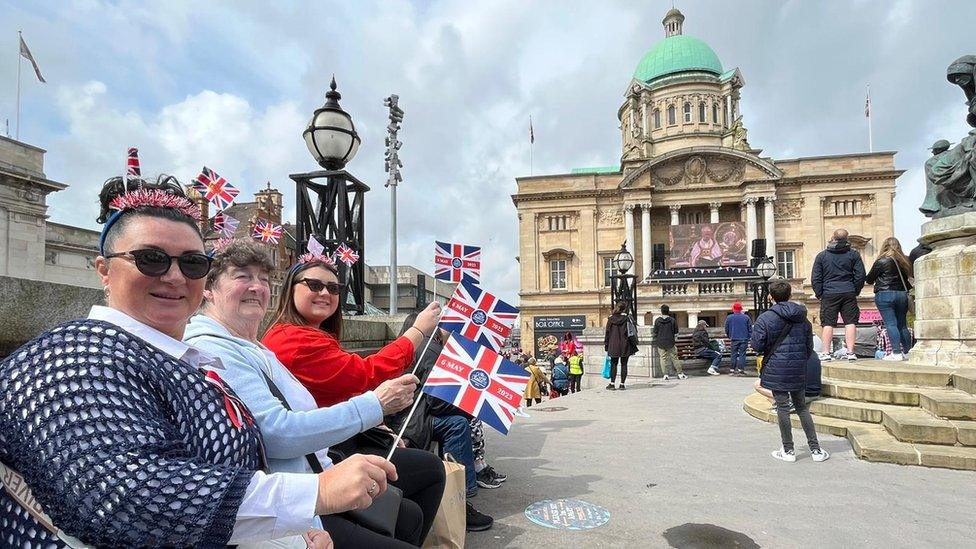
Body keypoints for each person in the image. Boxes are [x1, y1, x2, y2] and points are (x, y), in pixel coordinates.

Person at [0, 175, 395, 547]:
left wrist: (297, 527)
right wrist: (317, 493)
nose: (174, 276)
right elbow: (130, 497)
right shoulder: (74, 359)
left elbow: (240, 466)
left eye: (192, 263)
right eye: (151, 259)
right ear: (104, 270)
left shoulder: (187, 360)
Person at [184, 240, 446, 547]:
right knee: (422, 478)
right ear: (208, 288)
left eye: (334, 289)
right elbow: (361, 376)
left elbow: (332, 390)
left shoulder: (261, 346)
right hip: (295, 489)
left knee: (411, 508)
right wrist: (416, 334)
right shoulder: (270, 343)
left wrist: (374, 416)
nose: (256, 287)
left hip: (317, 463)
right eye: (242, 276)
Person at [752, 280, 829, 463]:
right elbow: (809, 347)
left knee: (783, 408)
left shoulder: (765, 318)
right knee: (802, 407)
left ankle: (788, 450)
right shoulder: (802, 316)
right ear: (790, 295)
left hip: (776, 367)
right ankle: (816, 450)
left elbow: (757, 345)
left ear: (771, 296)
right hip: (798, 366)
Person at [811, 228, 865, 362]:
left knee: (828, 323)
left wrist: (820, 294)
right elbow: (860, 275)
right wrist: (855, 290)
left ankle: (825, 352)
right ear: (847, 239)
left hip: (829, 292)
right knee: (850, 322)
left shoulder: (822, 256)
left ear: (832, 238)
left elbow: (816, 277)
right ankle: (851, 352)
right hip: (848, 291)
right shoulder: (853, 254)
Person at [865, 237, 914, 361]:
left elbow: (869, 279)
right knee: (902, 324)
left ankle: (896, 352)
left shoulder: (881, 261)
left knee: (891, 324)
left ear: (885, 246)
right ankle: (908, 352)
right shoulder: (904, 261)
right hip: (902, 295)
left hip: (885, 294)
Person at [604, 301, 638, 390]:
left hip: (613, 344)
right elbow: (631, 332)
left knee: (614, 364)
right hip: (625, 344)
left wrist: (606, 345)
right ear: (624, 308)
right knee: (624, 364)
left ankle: (612, 383)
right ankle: (622, 384)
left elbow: (607, 333)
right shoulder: (627, 318)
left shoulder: (610, 319)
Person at [652, 305, 686, 380]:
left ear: (661, 311)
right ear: (668, 311)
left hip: (660, 341)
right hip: (670, 341)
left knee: (663, 358)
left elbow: (655, 332)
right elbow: (676, 332)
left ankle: (665, 375)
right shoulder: (672, 320)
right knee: (674, 358)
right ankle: (680, 373)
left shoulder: (657, 320)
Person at [725, 302, 752, 376]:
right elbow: (750, 329)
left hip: (734, 338)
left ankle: (732, 370)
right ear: (741, 309)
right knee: (742, 354)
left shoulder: (729, 317)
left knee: (733, 354)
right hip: (744, 338)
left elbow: (726, 328)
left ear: (733, 309)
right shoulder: (746, 317)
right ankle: (741, 370)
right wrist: (748, 337)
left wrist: (730, 336)